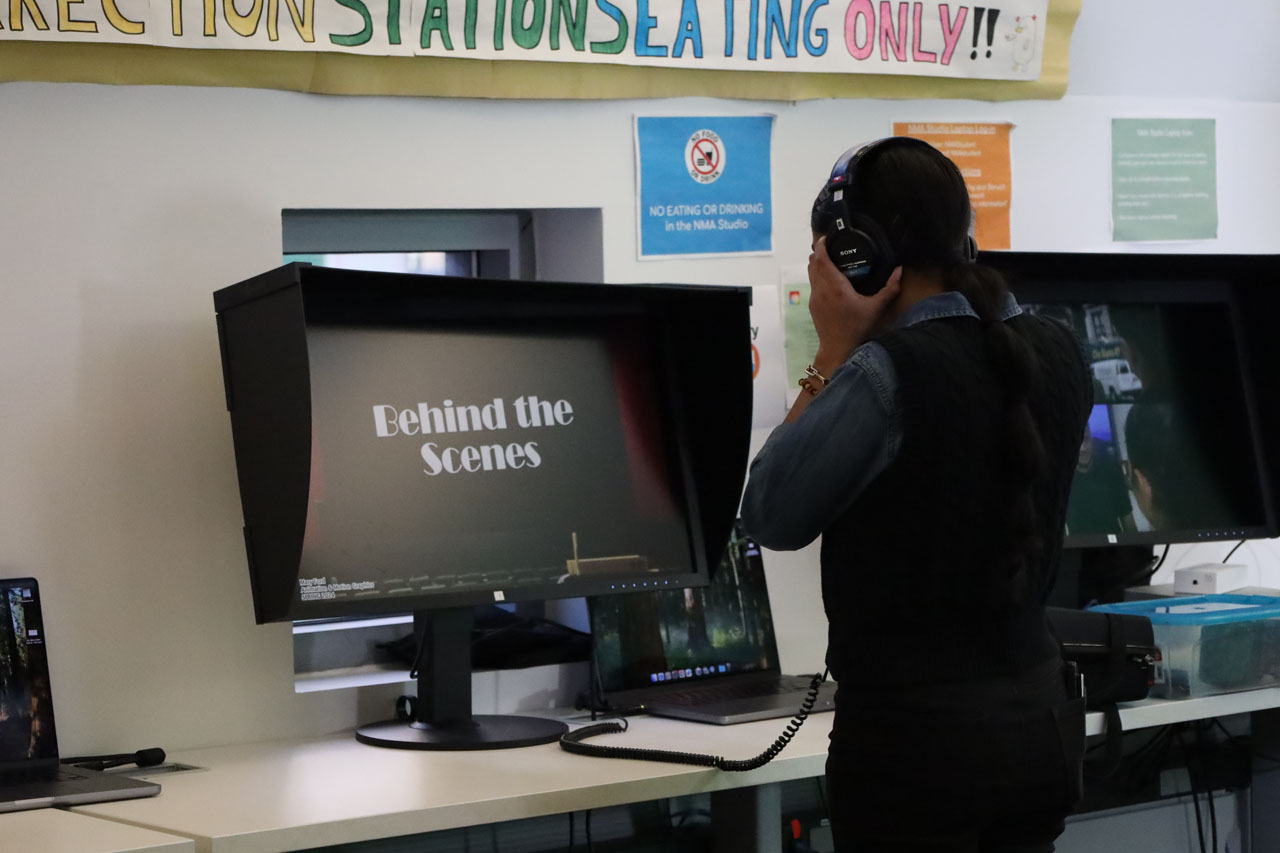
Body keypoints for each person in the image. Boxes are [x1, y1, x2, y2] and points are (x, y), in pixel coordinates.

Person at [741, 137, 1093, 852]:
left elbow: (769, 513)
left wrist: (830, 354)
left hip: (920, 751)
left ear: (858, 257)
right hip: (1040, 726)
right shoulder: (1057, 349)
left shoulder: (884, 374)